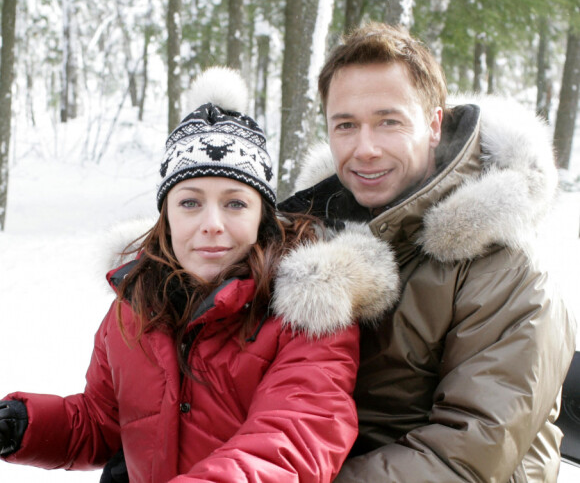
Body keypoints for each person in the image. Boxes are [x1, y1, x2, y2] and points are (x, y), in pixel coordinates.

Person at [0, 67, 400, 482]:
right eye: (190, 203)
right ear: (166, 216)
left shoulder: (309, 312)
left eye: (235, 204)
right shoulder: (132, 309)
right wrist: (24, 425)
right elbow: (104, 422)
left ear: (263, 214)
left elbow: (292, 441)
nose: (212, 223)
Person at [279, 21, 577, 482]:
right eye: (346, 125)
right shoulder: (311, 235)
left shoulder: (509, 272)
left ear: (434, 125)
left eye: (389, 121)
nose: (365, 148)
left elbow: (465, 454)